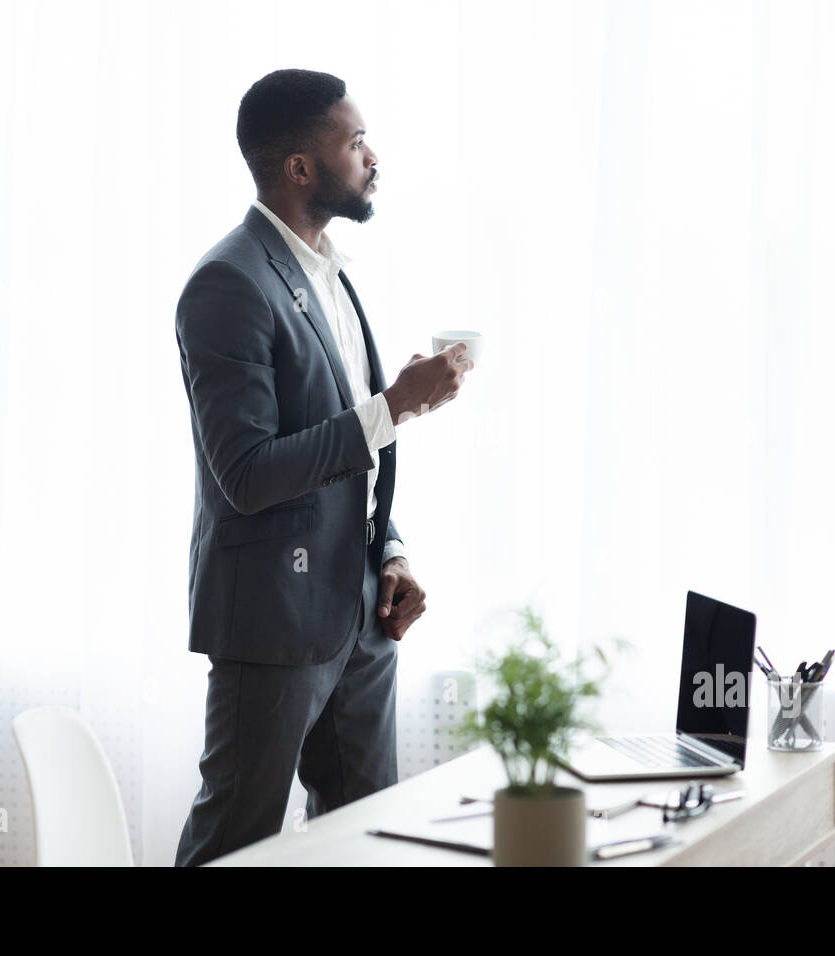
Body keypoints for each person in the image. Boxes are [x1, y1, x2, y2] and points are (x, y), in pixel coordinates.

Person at [172, 69, 473, 866]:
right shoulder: (227, 284)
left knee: (366, 844)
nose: (374, 156)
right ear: (301, 167)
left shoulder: (331, 273)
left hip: (363, 619)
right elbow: (247, 471)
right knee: (233, 845)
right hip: (272, 623)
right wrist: (394, 407)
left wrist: (393, 550)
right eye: (356, 141)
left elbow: (348, 462)